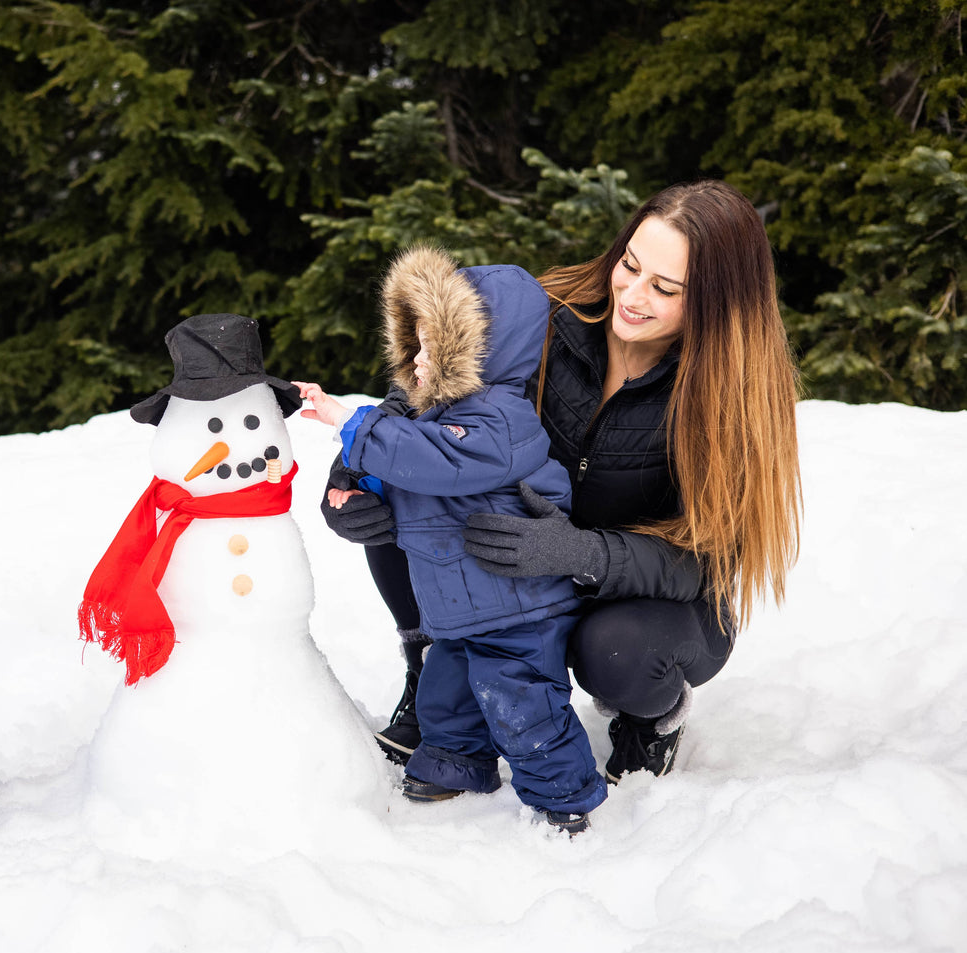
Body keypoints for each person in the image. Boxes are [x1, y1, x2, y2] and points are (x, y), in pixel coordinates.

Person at [324, 180, 801, 784]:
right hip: (521, 560)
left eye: (665, 288)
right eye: (629, 265)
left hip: (651, 595)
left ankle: (650, 718)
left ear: (717, 301)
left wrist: (581, 552)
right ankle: (435, 665)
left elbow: (704, 561)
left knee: (617, 651)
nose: (632, 293)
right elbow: (430, 387)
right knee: (412, 493)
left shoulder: (734, 396)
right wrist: (352, 475)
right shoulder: (548, 314)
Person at [295, 247, 607, 834]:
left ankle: (564, 794)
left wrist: (350, 421)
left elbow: (437, 465)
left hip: (518, 608)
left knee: (524, 705)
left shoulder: (501, 419)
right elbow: (413, 481)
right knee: (449, 693)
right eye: (414, 345)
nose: (418, 361)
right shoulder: (428, 422)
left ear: (482, 350)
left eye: (434, 348)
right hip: (459, 607)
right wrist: (360, 488)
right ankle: (455, 762)